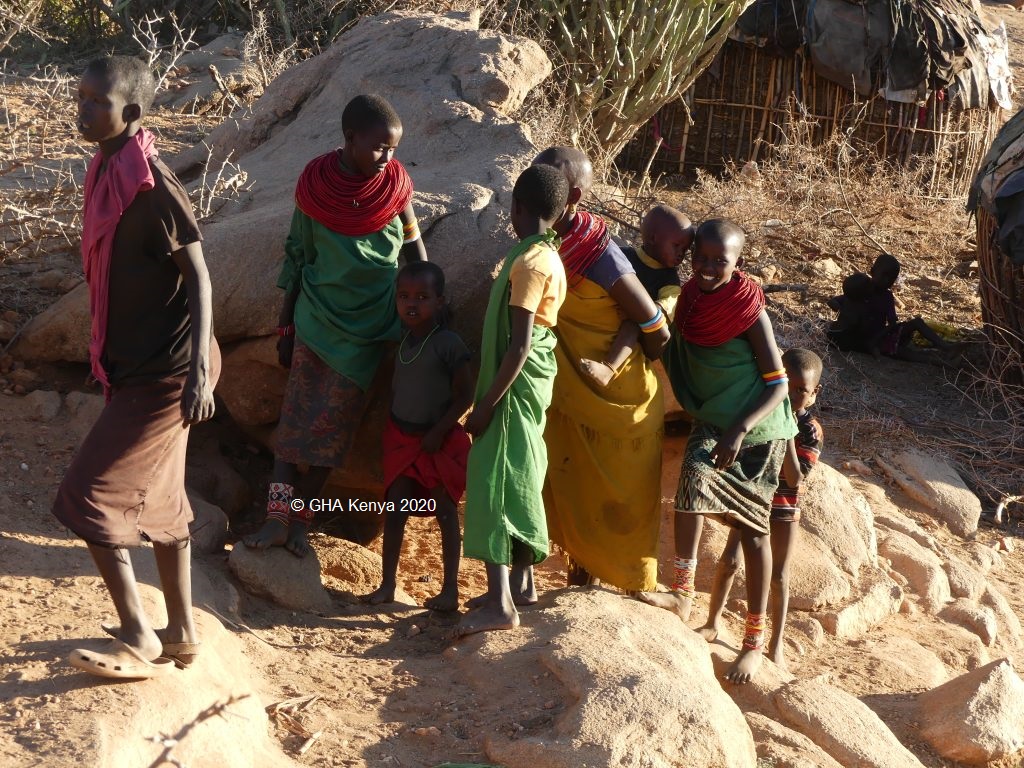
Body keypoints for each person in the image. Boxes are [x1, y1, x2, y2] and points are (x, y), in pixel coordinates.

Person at [54, 56, 219, 679]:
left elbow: (200, 278)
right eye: (81, 96)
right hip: (139, 368)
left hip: (169, 373)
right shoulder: (106, 171)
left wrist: (198, 373)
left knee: (86, 494)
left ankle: (138, 633)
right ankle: (181, 631)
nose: (83, 109)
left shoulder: (150, 185)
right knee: (164, 502)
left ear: (132, 112)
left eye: (97, 102)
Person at [244, 94, 427, 557]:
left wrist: (424, 313)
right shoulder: (316, 187)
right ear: (350, 138)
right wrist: (285, 328)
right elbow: (298, 256)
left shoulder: (395, 188)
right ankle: (275, 518)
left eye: (393, 149)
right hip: (317, 320)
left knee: (334, 433)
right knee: (294, 426)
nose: (388, 158)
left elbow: (414, 251)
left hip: (369, 330)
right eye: (379, 147)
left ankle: (299, 522)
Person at [643, 219, 797, 685]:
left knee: (753, 532)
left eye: (720, 261)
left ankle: (753, 643)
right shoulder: (690, 299)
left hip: (757, 429)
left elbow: (778, 384)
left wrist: (739, 430)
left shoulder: (749, 309)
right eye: (702, 258)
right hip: (715, 421)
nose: (708, 268)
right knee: (690, 484)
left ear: (738, 263)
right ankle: (682, 593)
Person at [536, 147, 671, 595]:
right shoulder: (543, 241)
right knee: (573, 490)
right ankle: (581, 589)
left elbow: (654, 326)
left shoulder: (599, 254)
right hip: (569, 394)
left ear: (573, 196)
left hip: (620, 404)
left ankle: (625, 593)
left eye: (546, 179)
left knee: (617, 507)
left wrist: (619, 362)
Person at [456, 164, 569, 637]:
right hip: (531, 385)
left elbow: (519, 346)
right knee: (522, 474)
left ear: (516, 208)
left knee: (496, 482)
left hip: (511, 390)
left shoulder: (530, 264)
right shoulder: (550, 256)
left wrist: (484, 406)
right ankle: (521, 585)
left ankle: (500, 604)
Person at [696, 347, 824, 672]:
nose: (793, 395)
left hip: (783, 509)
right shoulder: (761, 411)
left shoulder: (809, 429)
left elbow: (794, 478)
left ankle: (775, 644)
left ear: (814, 393)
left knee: (778, 576)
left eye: (802, 390)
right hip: (752, 499)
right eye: (787, 386)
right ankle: (712, 622)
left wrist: (786, 429)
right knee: (729, 560)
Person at [366, 262, 473, 612]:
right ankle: (387, 585)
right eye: (404, 296)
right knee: (395, 511)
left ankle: (450, 591)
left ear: (440, 301)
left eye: (423, 297)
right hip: (402, 439)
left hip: (435, 442)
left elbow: (465, 394)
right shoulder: (403, 339)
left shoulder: (448, 344)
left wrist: (439, 430)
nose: (412, 304)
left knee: (445, 513)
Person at [580, 204, 693, 387]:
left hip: (633, 330)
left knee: (634, 324)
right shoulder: (623, 255)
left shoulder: (669, 279)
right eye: (676, 246)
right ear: (654, 238)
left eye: (685, 249)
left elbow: (668, 305)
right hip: (601, 316)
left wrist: (638, 310)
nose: (681, 254)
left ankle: (609, 368)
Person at [827, 253, 961, 365]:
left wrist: (878, 337)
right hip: (865, 339)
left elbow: (892, 323)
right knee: (904, 353)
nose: (887, 281)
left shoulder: (887, 296)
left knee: (917, 322)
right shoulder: (861, 289)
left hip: (882, 334)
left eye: (891, 279)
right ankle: (943, 362)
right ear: (872, 271)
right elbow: (834, 301)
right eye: (884, 276)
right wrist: (843, 311)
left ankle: (946, 347)